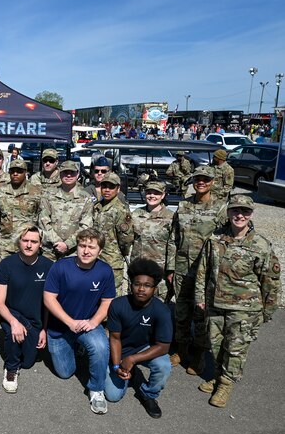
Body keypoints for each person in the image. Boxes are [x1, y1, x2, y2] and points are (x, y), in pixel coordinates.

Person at [194, 195, 281, 408]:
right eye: (235, 211)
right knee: (216, 344)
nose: (239, 215)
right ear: (229, 212)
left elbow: (270, 281)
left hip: (244, 309)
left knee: (235, 348)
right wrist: (200, 297)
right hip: (215, 304)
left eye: (245, 211)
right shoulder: (215, 238)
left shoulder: (260, 244)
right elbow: (202, 269)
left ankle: (226, 383)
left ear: (251, 214)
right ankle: (217, 374)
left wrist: (267, 311)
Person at [44, 228, 115, 415]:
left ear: (100, 251)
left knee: (100, 347)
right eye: (82, 245)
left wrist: (94, 322)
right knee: (66, 373)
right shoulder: (60, 267)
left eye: (92, 247)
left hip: (86, 324)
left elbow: (107, 302)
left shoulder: (105, 271)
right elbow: (49, 299)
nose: (86, 251)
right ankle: (76, 346)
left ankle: (96, 389)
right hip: (60, 326)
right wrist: (69, 322)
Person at [167, 166, 227, 375]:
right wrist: (170, 266)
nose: (201, 182)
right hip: (183, 268)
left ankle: (199, 355)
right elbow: (174, 238)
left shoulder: (221, 208)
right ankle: (182, 350)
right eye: (198, 179)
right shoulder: (183, 206)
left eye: (205, 179)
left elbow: (227, 239)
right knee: (181, 312)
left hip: (206, 271)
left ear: (212, 182)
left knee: (201, 314)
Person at [104, 258, 173, 418]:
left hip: (144, 349)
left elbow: (163, 346)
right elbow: (114, 338)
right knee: (113, 396)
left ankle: (148, 394)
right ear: (131, 285)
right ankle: (129, 373)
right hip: (121, 348)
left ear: (155, 288)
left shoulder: (162, 311)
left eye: (147, 285)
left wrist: (133, 359)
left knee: (164, 365)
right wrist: (117, 366)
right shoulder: (118, 305)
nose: (141, 289)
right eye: (137, 284)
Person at [0, 225, 53, 393]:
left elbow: (49, 304)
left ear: (40, 244)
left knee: (27, 363)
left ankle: (27, 337)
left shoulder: (48, 267)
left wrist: (44, 330)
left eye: (33, 241)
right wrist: (14, 322)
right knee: (15, 335)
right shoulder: (5, 265)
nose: (28, 245)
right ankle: (11, 369)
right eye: (25, 240)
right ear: (19, 241)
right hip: (10, 314)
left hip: (34, 320)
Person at [38, 160, 93, 260]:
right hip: (50, 251)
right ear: (60, 174)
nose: (68, 175)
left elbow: (86, 226)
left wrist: (68, 244)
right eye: (65, 172)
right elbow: (43, 221)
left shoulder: (86, 198)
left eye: (72, 172)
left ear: (78, 174)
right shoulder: (48, 195)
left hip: (74, 252)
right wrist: (56, 242)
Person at [0, 159, 41, 266]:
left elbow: (39, 215)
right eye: (12, 171)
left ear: (26, 173)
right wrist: (5, 228)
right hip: (5, 243)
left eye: (19, 171)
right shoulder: (0, 191)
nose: (15, 174)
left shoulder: (35, 192)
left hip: (27, 244)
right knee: (1, 273)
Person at [130, 180, 175, 301]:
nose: (152, 196)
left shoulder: (171, 217)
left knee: (157, 305)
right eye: (149, 192)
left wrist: (171, 270)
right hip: (138, 268)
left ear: (163, 195)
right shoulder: (136, 214)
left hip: (159, 270)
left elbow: (173, 244)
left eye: (156, 193)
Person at [92, 172, 134, 293]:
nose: (107, 190)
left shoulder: (120, 210)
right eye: (104, 186)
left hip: (112, 260)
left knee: (112, 293)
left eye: (111, 187)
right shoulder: (97, 207)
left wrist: (118, 253)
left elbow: (126, 239)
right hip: (96, 258)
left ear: (118, 189)